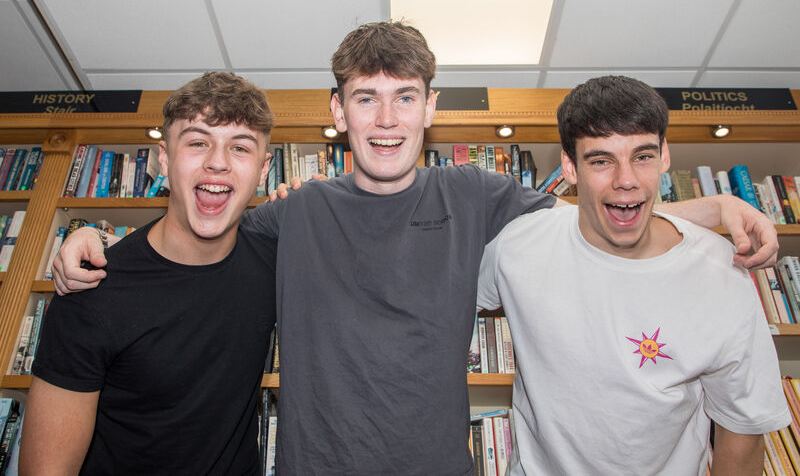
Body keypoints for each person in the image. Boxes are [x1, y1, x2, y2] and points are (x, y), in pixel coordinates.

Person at [51, 23, 779, 474]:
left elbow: (601, 214)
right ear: (337, 113)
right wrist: (96, 240)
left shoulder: (477, 194)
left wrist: (715, 208)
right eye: (365, 98)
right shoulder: (295, 216)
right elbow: (196, 235)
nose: (386, 118)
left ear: (431, 107)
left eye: (405, 96)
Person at [477, 75, 790, 475]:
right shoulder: (517, 247)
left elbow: (742, 432)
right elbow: (434, 314)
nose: (626, 179)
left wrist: (718, 206)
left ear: (664, 157)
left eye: (642, 156)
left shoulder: (721, 272)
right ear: (570, 167)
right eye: (601, 161)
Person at [20, 72, 279, 475]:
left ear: (263, 170)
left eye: (240, 148)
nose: (218, 162)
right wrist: (90, 234)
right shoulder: (91, 290)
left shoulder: (275, 260)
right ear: (165, 158)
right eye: (197, 142)